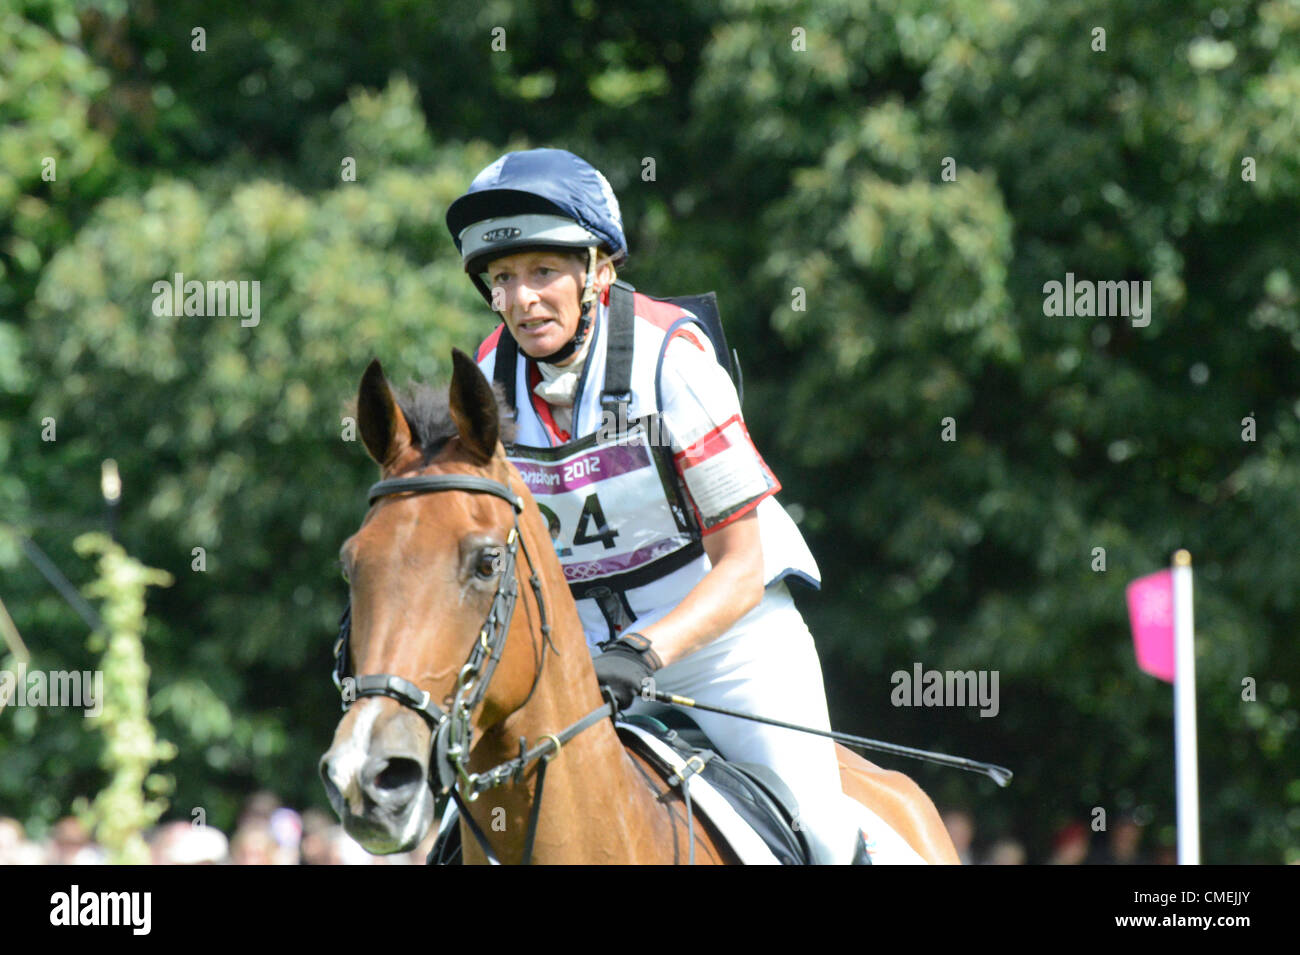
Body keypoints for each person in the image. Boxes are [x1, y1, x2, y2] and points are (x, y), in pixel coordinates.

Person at [445, 147, 865, 864]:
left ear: (598, 269)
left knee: (821, 831)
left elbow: (741, 564)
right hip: (577, 653)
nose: (520, 300)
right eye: (503, 279)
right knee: (466, 836)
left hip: (726, 639)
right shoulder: (485, 379)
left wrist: (645, 649)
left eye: (544, 272)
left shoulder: (672, 360)